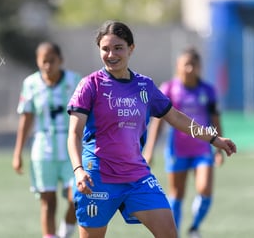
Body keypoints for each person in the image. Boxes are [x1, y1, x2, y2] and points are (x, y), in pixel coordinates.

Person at [66, 20, 236, 238]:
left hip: (137, 176)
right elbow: (74, 133)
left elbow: (175, 117)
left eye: (118, 48)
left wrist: (214, 139)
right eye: (105, 49)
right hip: (97, 177)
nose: (111, 54)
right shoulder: (90, 85)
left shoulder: (144, 86)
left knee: (168, 233)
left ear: (131, 48)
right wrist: (78, 169)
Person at [143, 46, 224, 238]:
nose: (189, 68)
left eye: (193, 64)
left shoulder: (208, 91)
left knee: (204, 189)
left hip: (202, 150)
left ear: (199, 67)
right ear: (178, 66)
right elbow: (158, 123)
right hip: (177, 150)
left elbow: (215, 120)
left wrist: (218, 148)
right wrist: (150, 150)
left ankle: (194, 227)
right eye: (185, 64)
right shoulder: (169, 88)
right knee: (176, 195)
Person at [12, 42, 81, 238]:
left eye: (52, 61)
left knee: (77, 197)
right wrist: (17, 153)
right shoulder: (30, 84)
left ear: (61, 60)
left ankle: (64, 233)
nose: (48, 66)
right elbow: (26, 119)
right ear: (38, 62)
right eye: (44, 62)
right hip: (43, 150)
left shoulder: (75, 80)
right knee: (48, 201)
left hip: (70, 149)